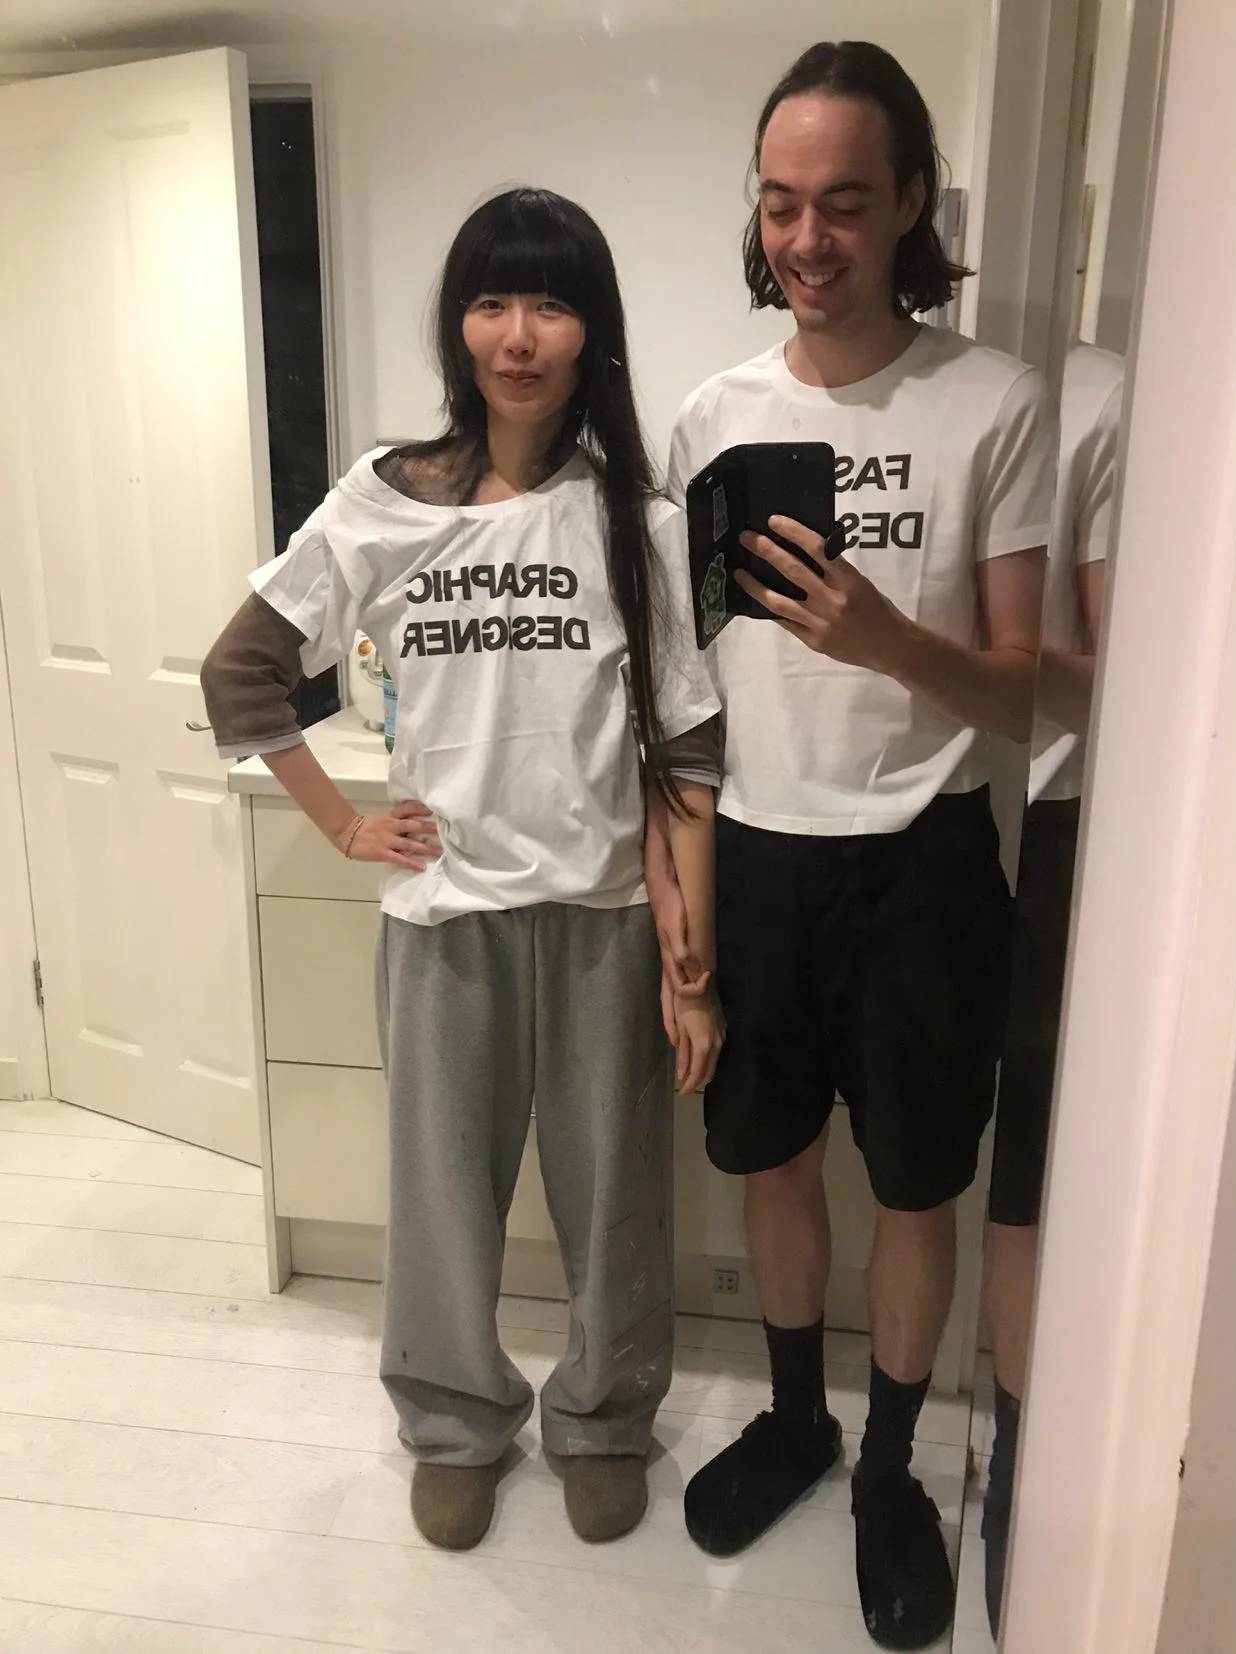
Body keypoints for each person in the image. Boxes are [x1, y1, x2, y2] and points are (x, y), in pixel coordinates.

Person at [201, 188, 723, 1553]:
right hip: (446, 922)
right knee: (440, 1207)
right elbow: (241, 670)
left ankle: (602, 1419)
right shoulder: (384, 497)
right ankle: (452, 1423)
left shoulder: (638, 516)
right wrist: (342, 825)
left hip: (606, 917)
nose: (518, 334)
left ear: (592, 330)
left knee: (614, 1204)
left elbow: (685, 741)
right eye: (492, 301)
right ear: (458, 324)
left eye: (551, 303)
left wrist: (691, 950)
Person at [646, 42, 1056, 1650]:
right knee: (771, 1156)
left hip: (925, 854)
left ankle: (891, 1465)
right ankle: (800, 1417)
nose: (807, 239)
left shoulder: (991, 401)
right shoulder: (712, 418)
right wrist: (680, 896)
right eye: (780, 203)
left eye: (843, 203)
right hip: (758, 849)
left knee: (916, 1178)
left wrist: (891, 641)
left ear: (910, 206)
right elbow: (689, 688)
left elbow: (1028, 688)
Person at [981, 339, 1124, 1640]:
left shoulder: (1106, 396)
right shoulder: (1098, 397)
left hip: (1085, 817)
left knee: (1060, 1169)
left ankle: (1036, 1469)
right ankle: (1018, 1467)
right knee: (1022, 1163)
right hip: (1050, 812)